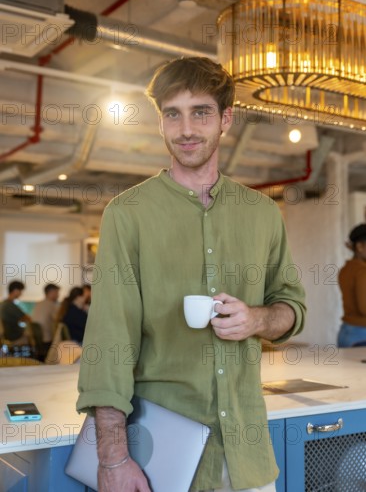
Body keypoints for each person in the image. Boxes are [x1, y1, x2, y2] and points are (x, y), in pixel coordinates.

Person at [76, 57, 307, 492]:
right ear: (160, 122)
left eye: (200, 112)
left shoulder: (261, 213)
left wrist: (257, 320)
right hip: (160, 457)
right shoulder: (128, 214)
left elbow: (292, 307)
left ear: (226, 119)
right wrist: (112, 458)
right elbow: (110, 340)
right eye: (172, 114)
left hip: (247, 454)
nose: (185, 129)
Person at [337, 223, 366, 347]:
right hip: (361, 335)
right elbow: (364, 307)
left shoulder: (346, 269)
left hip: (346, 331)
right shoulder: (362, 271)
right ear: (359, 246)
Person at [0, 280, 32, 345]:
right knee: (33, 333)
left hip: (7, 335)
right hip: (14, 336)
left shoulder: (3, 304)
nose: (21, 293)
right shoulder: (10, 305)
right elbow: (27, 318)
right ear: (15, 290)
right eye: (20, 291)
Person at [32, 283, 60, 347]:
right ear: (51, 292)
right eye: (57, 292)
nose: (58, 295)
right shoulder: (52, 305)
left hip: (35, 338)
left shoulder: (37, 304)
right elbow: (58, 320)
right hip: (47, 339)